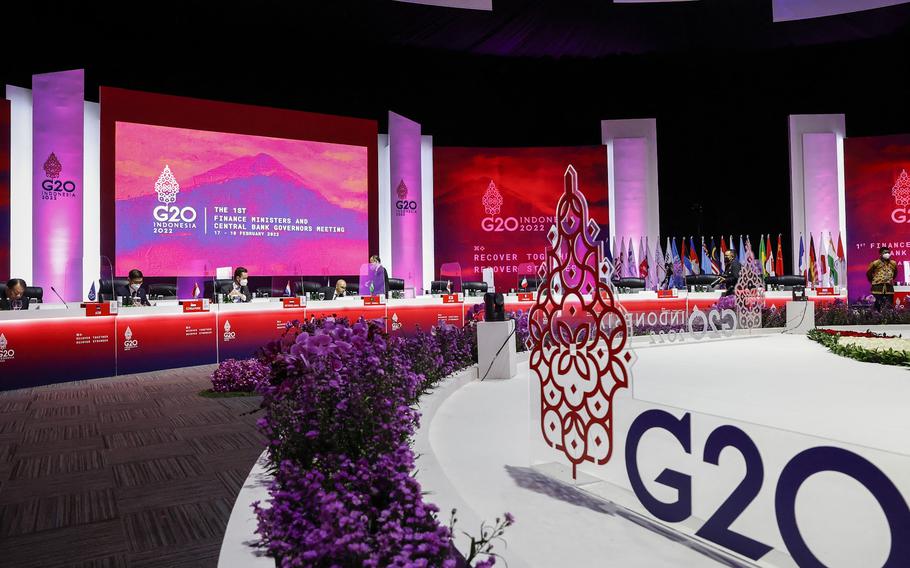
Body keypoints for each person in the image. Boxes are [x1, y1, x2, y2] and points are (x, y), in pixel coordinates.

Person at [866, 246, 897, 311]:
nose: (887, 254)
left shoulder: (893, 263)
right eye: (885, 252)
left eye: (888, 252)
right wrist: (874, 281)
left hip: (889, 287)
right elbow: (868, 273)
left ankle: (889, 319)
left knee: (889, 306)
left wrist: (890, 279)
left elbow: (895, 274)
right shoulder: (875, 263)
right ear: (880, 254)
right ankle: (877, 319)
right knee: (877, 306)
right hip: (877, 287)